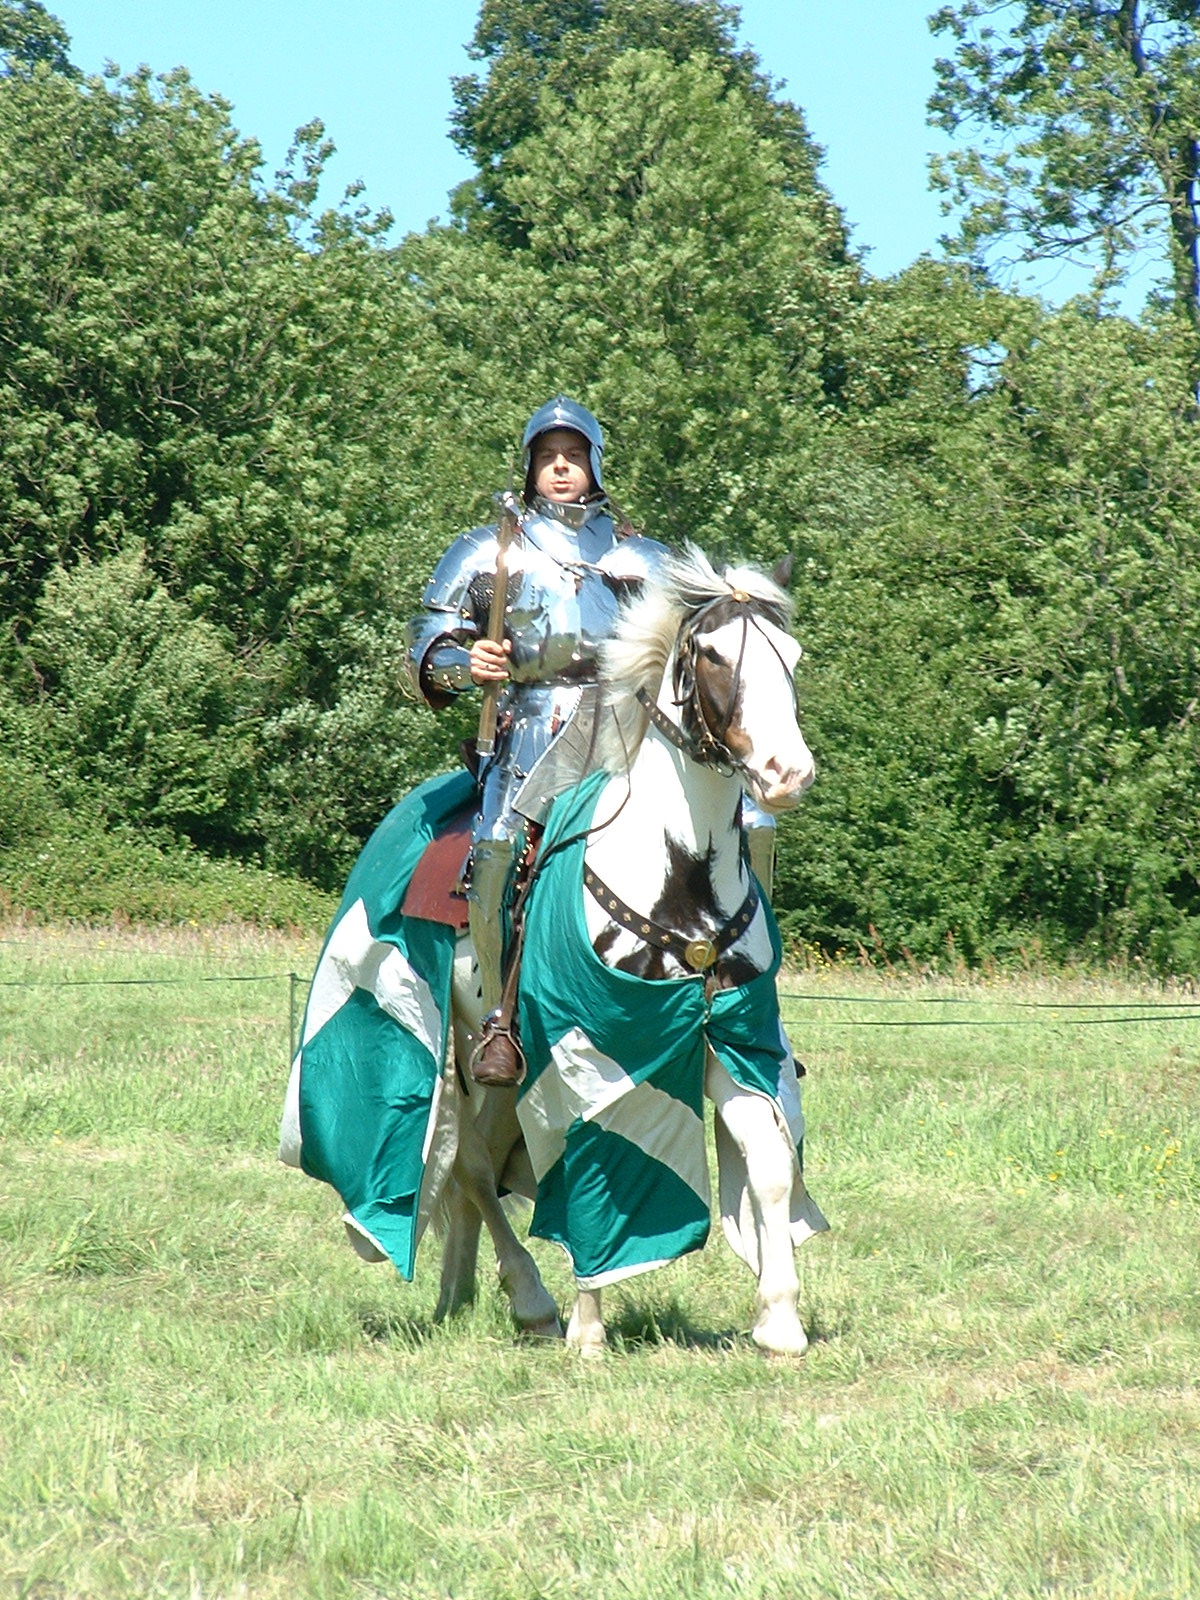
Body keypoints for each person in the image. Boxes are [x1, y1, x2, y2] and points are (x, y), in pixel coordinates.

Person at [407, 396, 669, 1084]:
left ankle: (741, 1006)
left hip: (626, 725)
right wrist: (468, 663)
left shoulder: (643, 557)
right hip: (530, 726)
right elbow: (423, 646)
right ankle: (501, 1019)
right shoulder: (492, 548)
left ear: (595, 464)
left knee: (736, 825)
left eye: (573, 455)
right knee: (496, 850)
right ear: (529, 466)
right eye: (548, 457)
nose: (560, 468)